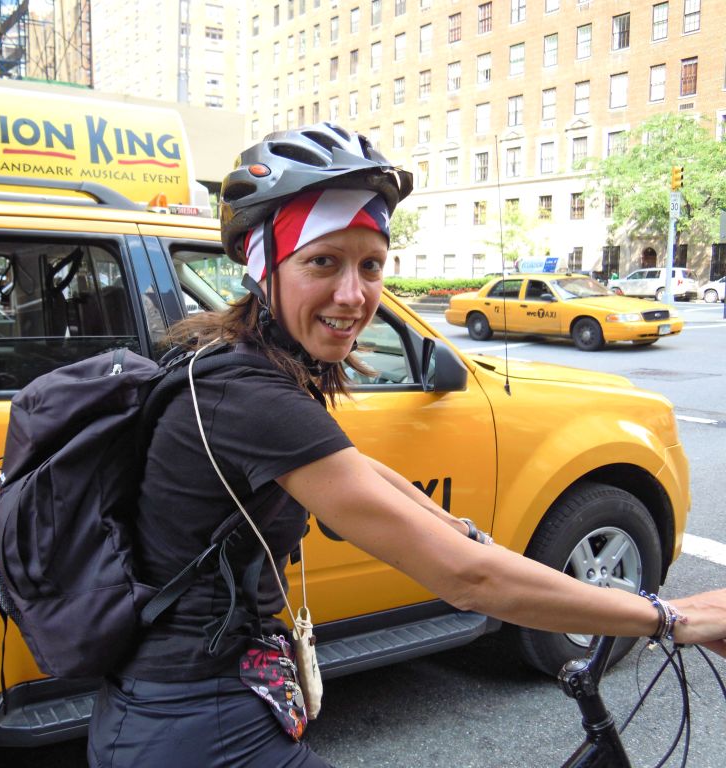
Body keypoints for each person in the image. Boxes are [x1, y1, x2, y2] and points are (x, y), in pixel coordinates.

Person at [86, 123, 726, 768]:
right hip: (195, 726)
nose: (354, 294)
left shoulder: (243, 362)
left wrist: (456, 526)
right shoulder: (250, 396)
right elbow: (467, 581)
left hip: (192, 702)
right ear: (263, 266)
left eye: (370, 266)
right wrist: (670, 618)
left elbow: (355, 469)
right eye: (322, 261)